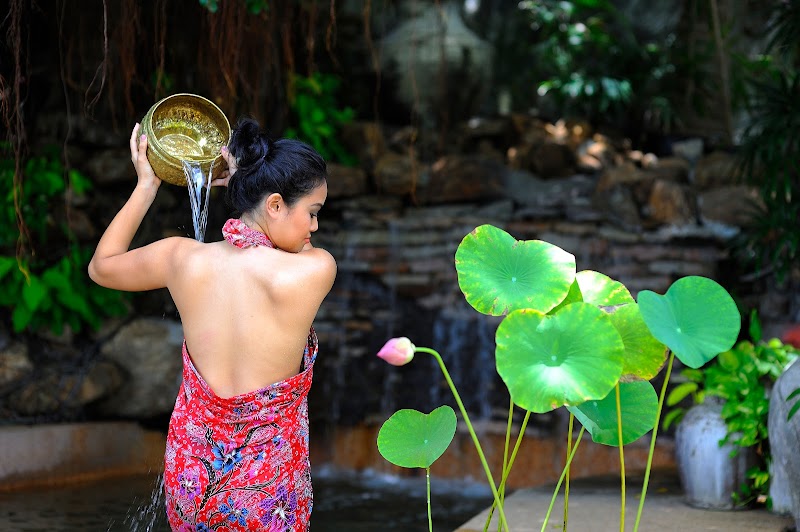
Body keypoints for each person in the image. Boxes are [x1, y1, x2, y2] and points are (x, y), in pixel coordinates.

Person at [88, 117, 337, 531]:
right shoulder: (313, 271)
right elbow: (270, 253)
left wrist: (147, 185)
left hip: (192, 472)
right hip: (266, 485)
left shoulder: (182, 259)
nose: (313, 227)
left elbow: (102, 267)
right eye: (311, 213)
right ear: (275, 205)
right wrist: (244, 179)